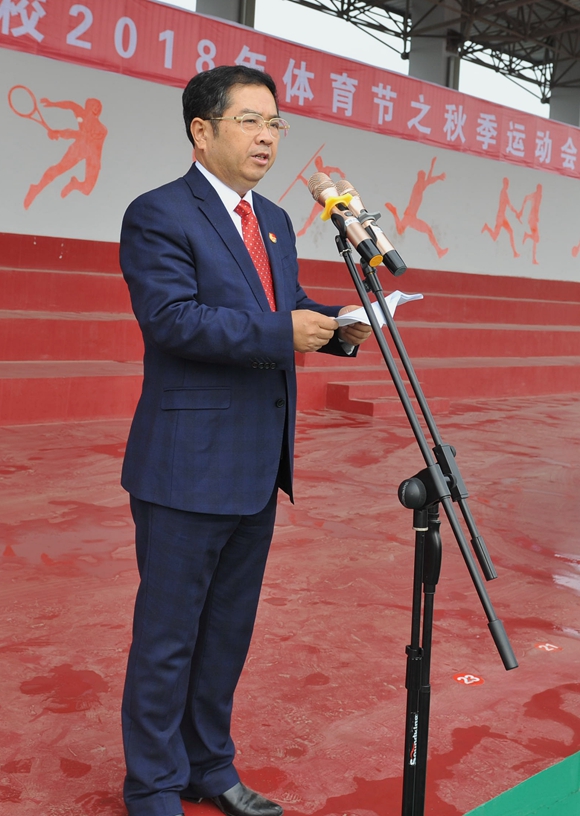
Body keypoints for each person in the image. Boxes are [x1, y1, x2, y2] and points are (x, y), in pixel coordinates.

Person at [119, 65, 371, 816]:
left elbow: (286, 305)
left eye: (275, 124)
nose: (268, 137)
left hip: (257, 464)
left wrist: (343, 327)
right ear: (202, 131)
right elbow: (173, 320)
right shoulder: (159, 213)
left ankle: (208, 765)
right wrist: (283, 329)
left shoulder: (275, 222)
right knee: (168, 638)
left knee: (227, 632)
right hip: (185, 467)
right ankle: (153, 786)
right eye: (251, 121)